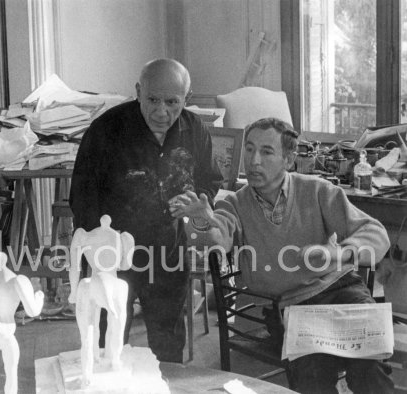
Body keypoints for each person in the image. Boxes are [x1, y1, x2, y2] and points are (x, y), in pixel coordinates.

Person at [170, 117, 394, 393]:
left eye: (266, 152)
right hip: (288, 307)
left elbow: (376, 234)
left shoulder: (317, 190)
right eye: (249, 149)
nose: (253, 161)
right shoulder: (234, 204)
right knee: (312, 376)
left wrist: (338, 254)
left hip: (341, 290)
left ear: (288, 160)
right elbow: (220, 239)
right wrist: (206, 221)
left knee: (370, 366)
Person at [69, 58, 223, 362]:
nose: (161, 111)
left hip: (168, 252)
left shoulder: (194, 130)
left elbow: (211, 179)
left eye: (172, 102)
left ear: (186, 100)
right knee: (107, 339)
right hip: (113, 257)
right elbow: (82, 195)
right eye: (152, 99)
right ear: (138, 91)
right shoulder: (106, 130)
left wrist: (200, 200)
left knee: (168, 343)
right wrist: (96, 250)